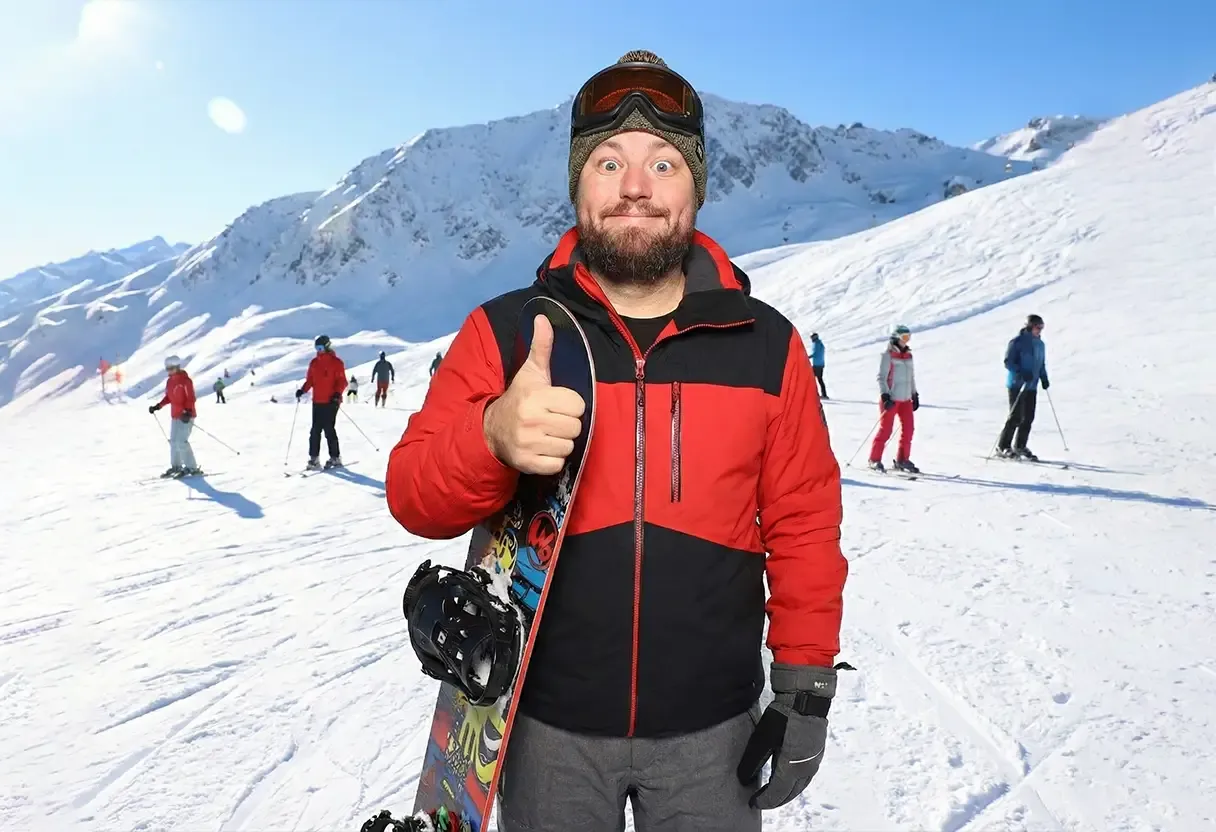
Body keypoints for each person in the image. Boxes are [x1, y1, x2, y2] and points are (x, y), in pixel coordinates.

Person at [386, 51, 847, 832]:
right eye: (609, 162)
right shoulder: (507, 332)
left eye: (663, 163)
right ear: (578, 184)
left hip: (713, 735)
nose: (636, 188)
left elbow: (804, 519)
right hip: (543, 732)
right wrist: (491, 436)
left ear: (696, 186)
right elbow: (413, 495)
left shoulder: (765, 346)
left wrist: (804, 687)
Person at [868, 324, 920, 474]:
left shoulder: (909, 356)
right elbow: (882, 377)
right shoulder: (888, 355)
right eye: (904, 337)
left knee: (909, 430)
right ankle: (874, 459)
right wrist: (885, 396)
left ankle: (902, 459)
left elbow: (911, 377)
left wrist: (914, 394)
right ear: (897, 338)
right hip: (891, 399)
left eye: (908, 337)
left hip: (906, 400)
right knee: (886, 431)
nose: (907, 340)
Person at [997, 313, 1049, 460]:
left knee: (1028, 417)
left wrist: (1044, 378)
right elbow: (1008, 362)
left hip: (1031, 386)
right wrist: (1021, 373)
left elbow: (1041, 364)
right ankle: (1003, 446)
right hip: (1017, 385)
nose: (1039, 330)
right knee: (1016, 416)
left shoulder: (1040, 344)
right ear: (1029, 326)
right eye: (1037, 327)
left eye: (1041, 327)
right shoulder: (1017, 342)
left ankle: (1020, 446)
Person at [297, 334, 348, 470]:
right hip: (317, 401)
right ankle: (314, 459)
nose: (318, 350)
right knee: (315, 430)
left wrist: (337, 394)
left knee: (329, 429)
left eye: (320, 348)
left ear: (327, 346)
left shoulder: (337, 363)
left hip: (332, 401)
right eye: (316, 348)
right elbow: (310, 381)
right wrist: (302, 390)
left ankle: (335, 458)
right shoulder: (314, 363)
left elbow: (342, 381)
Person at [148, 355, 202, 477]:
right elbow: (169, 397)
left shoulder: (185, 381)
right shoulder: (170, 381)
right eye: (167, 369)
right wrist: (158, 406)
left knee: (181, 441)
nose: (169, 371)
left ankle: (192, 468)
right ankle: (176, 466)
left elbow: (191, 398)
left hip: (186, 415)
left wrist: (188, 412)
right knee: (173, 442)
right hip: (175, 415)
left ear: (177, 367)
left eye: (171, 368)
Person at [809, 332, 828, 399]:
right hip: (820, 364)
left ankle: (814, 394)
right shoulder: (820, 343)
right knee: (819, 379)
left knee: (810, 378)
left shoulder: (816, 344)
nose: (811, 339)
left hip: (817, 365)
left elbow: (815, 354)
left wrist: (807, 357)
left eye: (812, 337)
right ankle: (824, 394)